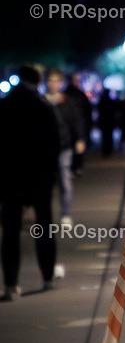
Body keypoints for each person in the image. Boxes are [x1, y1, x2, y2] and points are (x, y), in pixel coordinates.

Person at [0, 66, 61, 300]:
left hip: (10, 178)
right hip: (39, 177)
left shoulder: (4, 106)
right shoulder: (43, 107)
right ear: (37, 82)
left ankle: (11, 284)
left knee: (11, 233)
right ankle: (47, 275)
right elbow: (54, 144)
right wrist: (50, 174)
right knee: (44, 228)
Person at [44, 68, 85, 225]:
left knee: (64, 177)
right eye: (50, 80)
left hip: (64, 146)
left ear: (61, 83)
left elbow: (76, 121)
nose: (53, 84)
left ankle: (65, 213)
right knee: (45, 182)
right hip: (45, 148)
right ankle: (44, 215)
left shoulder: (67, 101)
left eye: (56, 81)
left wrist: (80, 139)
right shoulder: (42, 101)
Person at [64, 73, 93, 174]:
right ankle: (73, 167)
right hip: (68, 126)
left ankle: (77, 166)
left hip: (79, 124)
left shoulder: (80, 94)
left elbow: (87, 110)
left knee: (79, 147)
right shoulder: (66, 95)